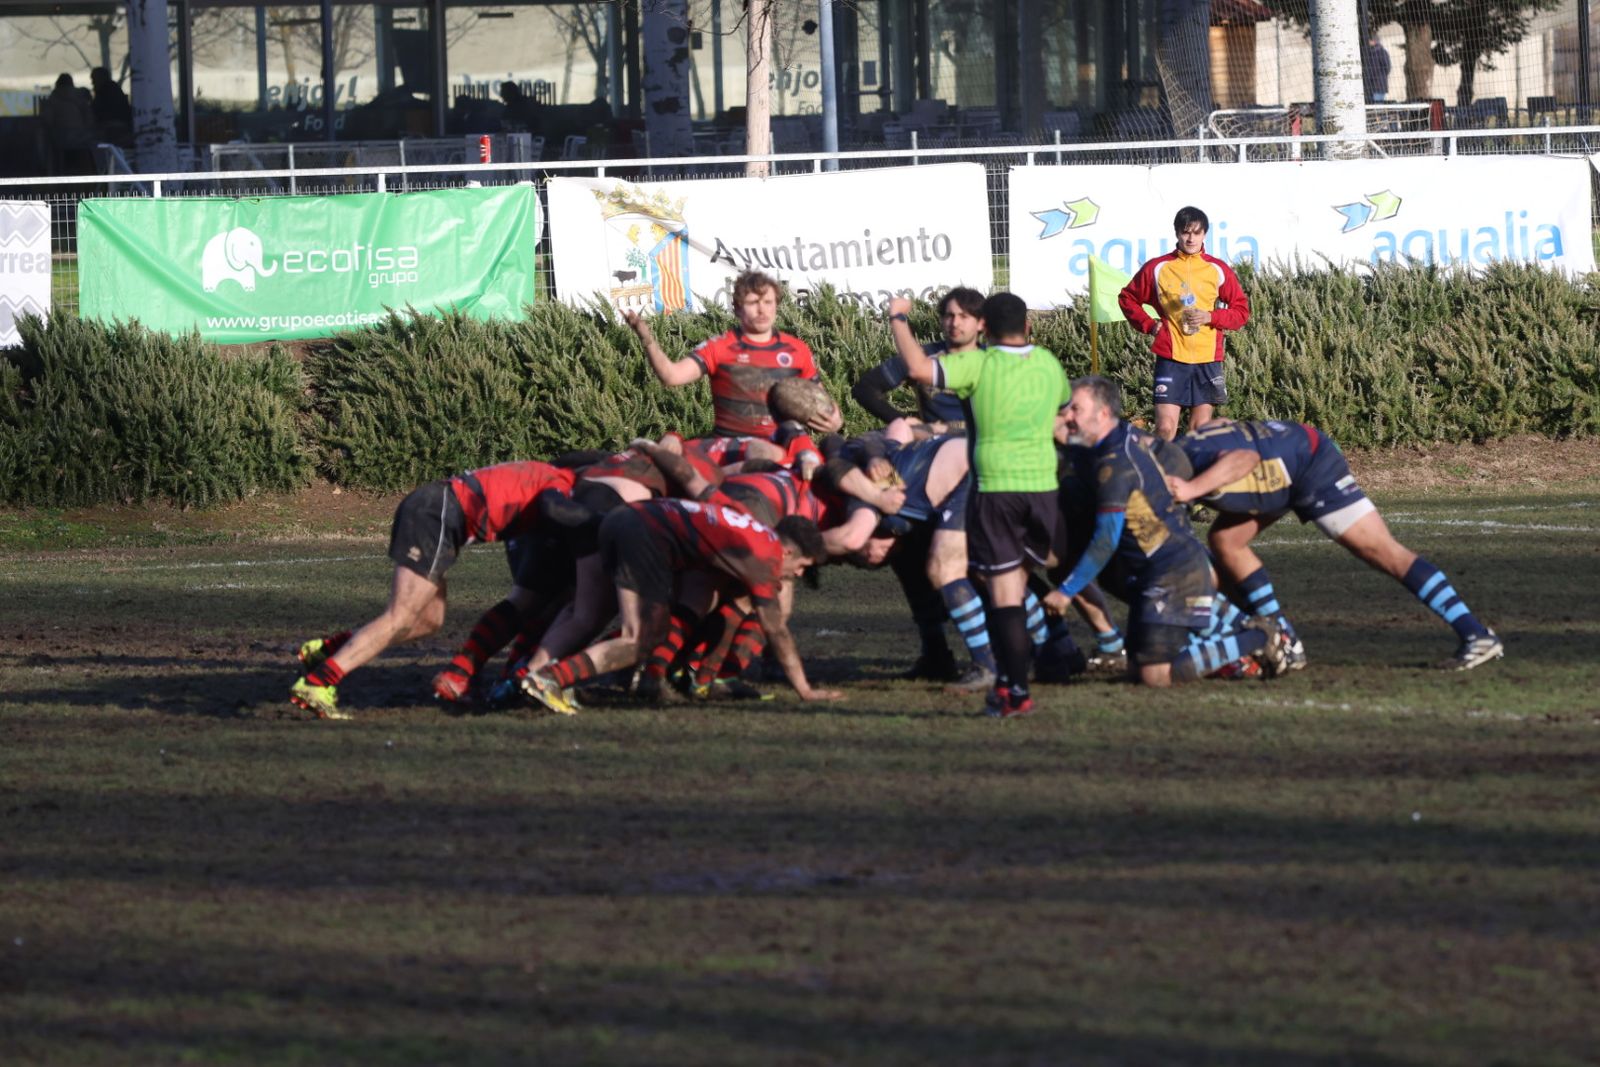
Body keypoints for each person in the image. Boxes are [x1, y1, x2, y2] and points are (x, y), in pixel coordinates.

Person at [1166, 417, 1504, 670]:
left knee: (1383, 552)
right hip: (1284, 463)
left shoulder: (1186, 465)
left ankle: (1476, 634)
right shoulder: (1179, 452)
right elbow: (1222, 425)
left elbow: (1245, 459)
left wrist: (1192, 490)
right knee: (1226, 540)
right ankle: (1284, 640)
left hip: (1311, 463)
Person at [891, 291, 1070, 718]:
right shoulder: (1049, 363)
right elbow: (1063, 415)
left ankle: (1014, 689)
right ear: (1027, 326)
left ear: (984, 326)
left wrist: (898, 318)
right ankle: (1053, 654)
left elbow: (917, 368)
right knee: (1019, 584)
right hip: (1044, 488)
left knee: (1003, 593)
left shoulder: (980, 363)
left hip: (997, 489)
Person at [1043, 377, 1289, 688]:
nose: (1067, 417)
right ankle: (1235, 630)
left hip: (1172, 573)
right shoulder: (1107, 441)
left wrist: (1066, 592)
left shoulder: (1115, 466)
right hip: (1151, 572)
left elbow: (1105, 540)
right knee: (1135, 671)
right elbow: (1061, 432)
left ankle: (1258, 636)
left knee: (1155, 676)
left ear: (1103, 414)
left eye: (1075, 409)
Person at [289, 460, 577, 719]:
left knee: (429, 621)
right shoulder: (561, 484)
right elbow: (554, 507)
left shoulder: (549, 473)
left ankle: (325, 651)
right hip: (436, 515)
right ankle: (318, 683)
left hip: (437, 514)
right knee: (400, 617)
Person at [521, 489, 841, 713]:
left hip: (627, 517)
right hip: (643, 533)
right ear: (788, 551)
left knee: (630, 624)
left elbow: (706, 495)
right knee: (638, 638)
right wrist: (805, 689)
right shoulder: (765, 557)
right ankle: (549, 679)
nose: (799, 574)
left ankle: (548, 676)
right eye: (802, 566)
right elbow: (776, 630)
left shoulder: (751, 526)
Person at [627, 270, 829, 441]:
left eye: (768, 302)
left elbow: (823, 407)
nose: (762, 310)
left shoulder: (797, 349)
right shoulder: (719, 347)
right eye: (753, 302)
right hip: (730, 448)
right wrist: (647, 340)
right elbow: (671, 376)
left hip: (788, 447)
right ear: (737, 308)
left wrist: (833, 420)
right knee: (667, 446)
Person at [1118, 206, 1250, 441]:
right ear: (1177, 233)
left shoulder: (1217, 269)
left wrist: (1211, 317)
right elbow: (1127, 298)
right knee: (1165, 429)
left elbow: (1241, 312)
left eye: (1196, 233)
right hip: (1171, 358)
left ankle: (1188, 467)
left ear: (1205, 234)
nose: (1191, 238)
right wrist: (1150, 325)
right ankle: (1157, 466)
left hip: (1207, 358)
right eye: (1186, 232)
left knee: (1199, 431)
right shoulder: (1157, 267)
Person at [852, 286, 984, 433]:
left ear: (981, 323)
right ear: (941, 319)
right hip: (935, 440)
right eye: (949, 316)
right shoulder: (921, 356)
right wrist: (901, 419)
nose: (955, 323)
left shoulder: (994, 359)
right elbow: (865, 388)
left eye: (964, 316)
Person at [40, 73, 95, 175]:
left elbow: (48, 120)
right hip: (81, 137)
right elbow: (89, 118)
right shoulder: (80, 97)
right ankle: (87, 173)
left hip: (60, 137)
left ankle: (58, 173)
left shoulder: (53, 98)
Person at [89, 67, 132, 138]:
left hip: (114, 127)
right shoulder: (111, 89)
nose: (92, 83)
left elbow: (98, 111)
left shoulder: (106, 91)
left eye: (94, 79)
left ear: (100, 78)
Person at [1364, 36, 1392, 104]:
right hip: (1370, 85)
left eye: (1369, 40)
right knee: (1372, 105)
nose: (1368, 42)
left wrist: (1380, 76)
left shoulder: (1382, 52)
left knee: (1378, 105)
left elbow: (1387, 67)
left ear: (1374, 41)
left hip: (1379, 85)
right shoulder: (1368, 53)